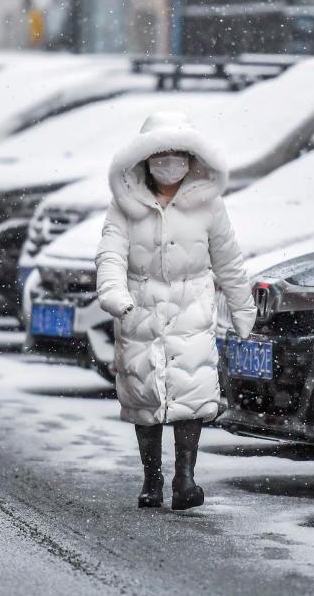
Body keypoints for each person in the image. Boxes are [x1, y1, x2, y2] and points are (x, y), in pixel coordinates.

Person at [95, 112, 257, 511]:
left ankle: (185, 479)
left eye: (177, 154)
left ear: (191, 157)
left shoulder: (208, 204)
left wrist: (242, 307)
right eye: (161, 154)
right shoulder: (124, 205)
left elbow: (228, 260)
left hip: (192, 307)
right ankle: (151, 479)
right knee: (143, 391)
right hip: (140, 308)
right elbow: (110, 254)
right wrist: (114, 292)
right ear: (145, 158)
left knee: (191, 387)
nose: (170, 163)